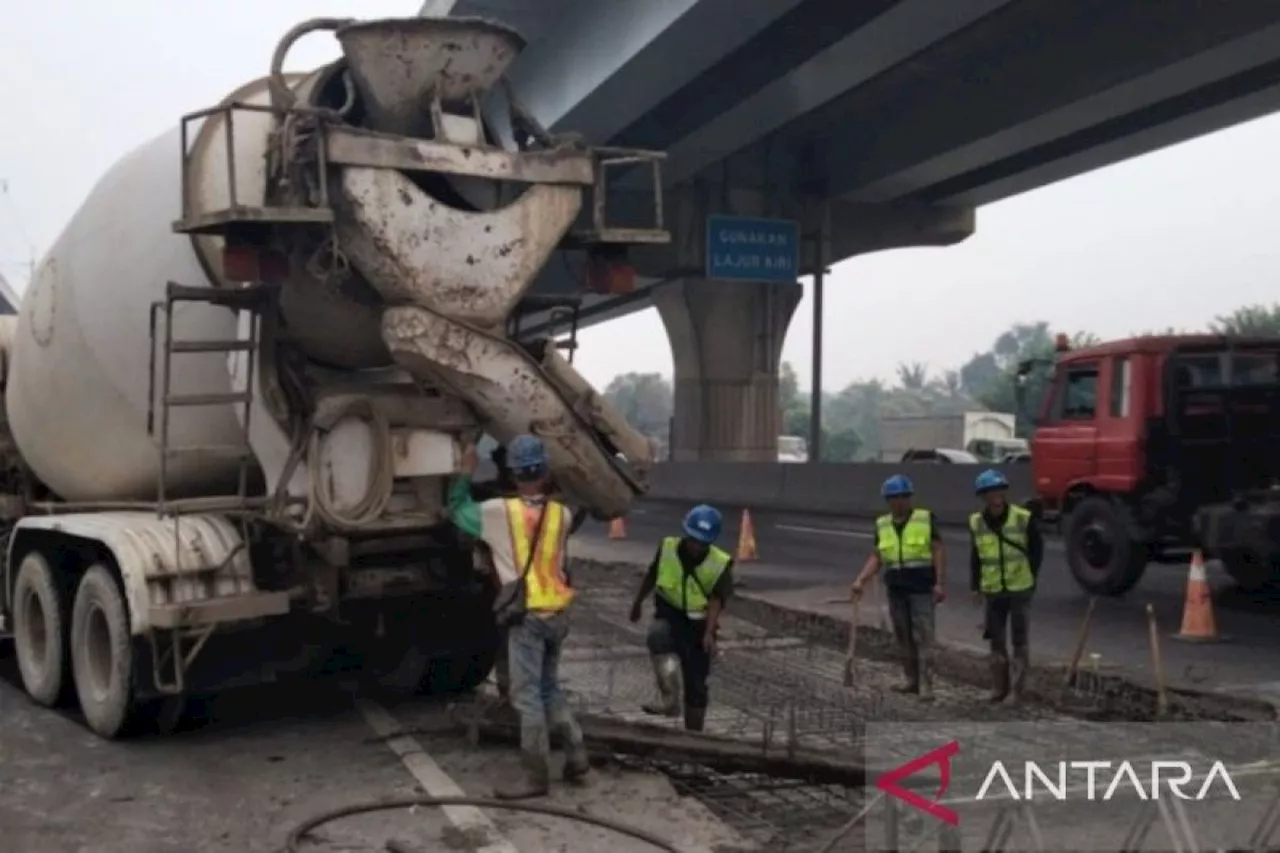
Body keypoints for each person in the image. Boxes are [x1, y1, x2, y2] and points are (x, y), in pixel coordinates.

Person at [448, 434, 589, 799]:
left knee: (527, 699)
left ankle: (535, 778)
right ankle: (577, 756)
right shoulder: (563, 514)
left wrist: (464, 472)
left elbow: (457, 509)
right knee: (549, 688)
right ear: (544, 471)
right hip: (558, 613)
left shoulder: (499, 513)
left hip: (526, 617)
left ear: (512, 475)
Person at [628, 504, 733, 732]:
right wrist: (637, 603)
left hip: (699, 626)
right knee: (658, 635)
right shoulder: (668, 547)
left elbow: (717, 600)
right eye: (693, 539)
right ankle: (670, 700)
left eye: (702, 543)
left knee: (696, 686)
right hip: (670, 615)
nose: (696, 546)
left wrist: (709, 632)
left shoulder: (719, 563)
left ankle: (694, 735)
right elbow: (652, 573)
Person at [850, 475, 946, 700]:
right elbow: (877, 556)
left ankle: (926, 685)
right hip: (896, 589)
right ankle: (911, 680)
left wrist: (940, 582)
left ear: (909, 498)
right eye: (894, 498)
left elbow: (938, 550)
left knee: (924, 637)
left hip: (921, 588)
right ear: (888, 500)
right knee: (903, 637)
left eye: (903, 497)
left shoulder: (924, 519)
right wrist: (860, 580)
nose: (899, 502)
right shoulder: (882, 524)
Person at [969, 468, 1042, 704]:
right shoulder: (977, 522)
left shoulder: (1022, 517)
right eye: (990, 492)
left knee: (1019, 641)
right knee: (996, 641)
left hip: (1019, 588)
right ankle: (998, 688)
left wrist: (1030, 577)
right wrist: (975, 585)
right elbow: (976, 556)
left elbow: (1036, 551)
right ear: (983, 496)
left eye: (999, 491)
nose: (996, 496)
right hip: (993, 591)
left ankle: (1017, 692)